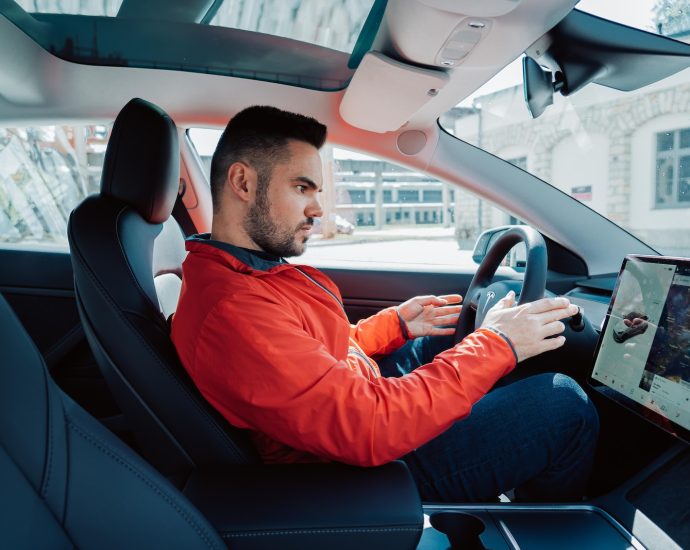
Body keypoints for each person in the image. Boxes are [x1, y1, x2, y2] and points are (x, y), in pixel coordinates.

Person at [171, 106, 599, 502]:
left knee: (449, 337)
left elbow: (314, 351)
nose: (318, 208)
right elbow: (368, 425)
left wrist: (396, 325)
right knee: (563, 404)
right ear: (243, 182)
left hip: (354, 406)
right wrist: (498, 344)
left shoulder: (245, 270)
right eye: (302, 187)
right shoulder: (233, 309)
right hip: (358, 474)